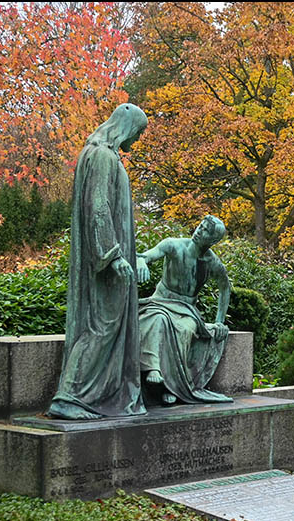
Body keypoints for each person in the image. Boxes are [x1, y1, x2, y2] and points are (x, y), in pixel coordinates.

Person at [47, 104, 149, 420]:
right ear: (126, 126)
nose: (138, 138)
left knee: (105, 327)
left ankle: (97, 394)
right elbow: (99, 208)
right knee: (101, 328)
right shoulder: (103, 156)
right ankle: (69, 396)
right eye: (139, 131)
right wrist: (113, 255)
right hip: (107, 264)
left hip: (108, 260)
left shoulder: (99, 154)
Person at [136, 215, 233, 404]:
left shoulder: (212, 262)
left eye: (206, 230)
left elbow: (225, 287)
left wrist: (220, 320)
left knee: (185, 329)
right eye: (200, 226)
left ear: (213, 241)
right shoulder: (173, 245)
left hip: (187, 310)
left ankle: (172, 387)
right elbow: (147, 255)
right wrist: (141, 262)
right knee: (158, 319)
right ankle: (153, 369)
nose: (199, 231)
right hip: (160, 301)